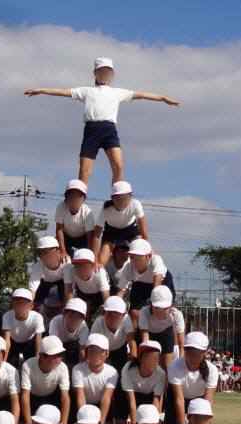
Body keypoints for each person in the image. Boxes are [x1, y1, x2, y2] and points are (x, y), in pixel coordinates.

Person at [24, 56, 180, 185]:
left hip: (109, 130)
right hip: (92, 130)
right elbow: (63, 92)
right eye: (102, 72)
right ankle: (80, 199)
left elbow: (142, 95)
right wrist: (41, 90)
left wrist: (163, 98)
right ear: (95, 73)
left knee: (118, 165)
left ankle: (116, 194)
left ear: (112, 75)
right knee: (85, 171)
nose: (105, 75)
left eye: (108, 72)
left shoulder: (118, 93)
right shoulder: (86, 91)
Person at [165, 332, 218, 424]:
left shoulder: (212, 370)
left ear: (205, 353)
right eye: (189, 351)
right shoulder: (174, 367)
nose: (193, 356)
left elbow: (208, 401)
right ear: (185, 350)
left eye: (197, 353)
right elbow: (179, 399)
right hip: (176, 400)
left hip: (200, 400)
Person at [115, 238, 175, 324]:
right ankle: (136, 333)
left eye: (138, 257)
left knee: (161, 311)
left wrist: (153, 305)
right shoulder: (128, 266)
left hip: (162, 283)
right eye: (132, 257)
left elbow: (157, 285)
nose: (134, 260)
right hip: (140, 284)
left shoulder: (156, 260)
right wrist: (113, 305)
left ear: (148, 256)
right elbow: (121, 291)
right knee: (134, 312)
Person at [93, 181, 149, 267]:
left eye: (124, 198)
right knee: (100, 262)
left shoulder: (135, 204)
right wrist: (95, 259)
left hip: (130, 231)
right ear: (112, 198)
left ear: (130, 197)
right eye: (117, 198)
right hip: (111, 232)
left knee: (139, 254)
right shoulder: (106, 209)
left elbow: (143, 232)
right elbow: (96, 235)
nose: (121, 201)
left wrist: (146, 249)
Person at [20, 336, 70, 424]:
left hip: (52, 398)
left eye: (60, 355)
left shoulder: (63, 367)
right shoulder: (27, 365)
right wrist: (28, 423)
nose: (59, 359)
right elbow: (25, 395)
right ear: (42, 356)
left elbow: (65, 397)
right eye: (55, 356)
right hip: (33, 399)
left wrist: (64, 422)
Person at [71, 334, 119, 424]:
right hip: (84, 405)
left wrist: (101, 423)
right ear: (86, 352)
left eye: (100, 351)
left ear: (107, 353)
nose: (95, 355)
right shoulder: (77, 369)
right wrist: (84, 420)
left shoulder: (112, 372)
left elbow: (106, 398)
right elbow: (80, 396)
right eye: (91, 351)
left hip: (100, 405)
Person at [120, 341, 166, 424]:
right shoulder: (128, 369)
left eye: (156, 358)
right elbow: (131, 402)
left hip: (149, 396)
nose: (153, 362)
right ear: (141, 359)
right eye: (149, 358)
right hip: (131, 395)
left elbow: (156, 400)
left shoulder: (161, 374)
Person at [138, 285, 185, 369]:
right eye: (157, 308)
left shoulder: (177, 315)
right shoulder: (144, 312)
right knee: (149, 365)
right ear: (151, 305)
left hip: (166, 333)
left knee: (168, 367)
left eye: (164, 308)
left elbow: (181, 344)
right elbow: (145, 339)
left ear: (170, 306)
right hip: (149, 334)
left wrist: (181, 363)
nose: (160, 312)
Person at [2, 288, 45, 367]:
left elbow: (38, 341)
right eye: (17, 302)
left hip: (30, 343)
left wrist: (37, 362)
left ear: (31, 306)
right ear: (12, 304)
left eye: (24, 303)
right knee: (9, 366)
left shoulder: (37, 317)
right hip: (13, 342)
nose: (20, 306)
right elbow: (7, 341)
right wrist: (3, 363)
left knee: (32, 365)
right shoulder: (7, 316)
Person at [55, 179, 96, 260]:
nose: (74, 199)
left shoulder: (87, 212)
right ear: (66, 198)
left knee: (85, 257)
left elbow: (90, 236)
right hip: (66, 237)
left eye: (78, 197)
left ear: (83, 199)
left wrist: (89, 254)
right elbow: (59, 229)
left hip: (83, 238)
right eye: (71, 196)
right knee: (56, 251)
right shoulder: (61, 207)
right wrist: (63, 251)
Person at [63, 248, 110, 317]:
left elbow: (106, 297)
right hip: (82, 292)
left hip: (99, 293)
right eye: (77, 265)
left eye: (84, 265)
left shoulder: (99, 273)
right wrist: (68, 312)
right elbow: (68, 291)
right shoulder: (69, 269)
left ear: (93, 265)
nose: (80, 269)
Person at [28, 236, 69, 310]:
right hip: (46, 283)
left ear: (57, 251)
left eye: (46, 252)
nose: (43, 256)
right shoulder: (38, 265)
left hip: (64, 283)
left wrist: (67, 309)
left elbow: (68, 289)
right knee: (36, 301)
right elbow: (32, 290)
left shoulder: (67, 263)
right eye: (40, 253)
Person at [48, 298, 89, 367]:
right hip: (57, 344)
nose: (73, 319)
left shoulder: (84, 327)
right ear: (64, 314)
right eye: (70, 316)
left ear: (83, 319)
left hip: (73, 345)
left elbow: (82, 350)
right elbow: (54, 346)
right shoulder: (55, 322)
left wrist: (81, 368)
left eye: (77, 317)